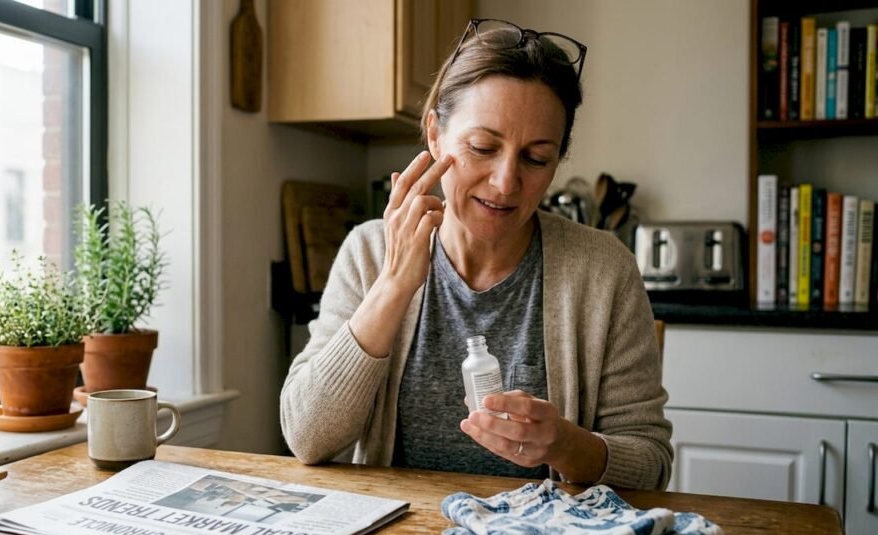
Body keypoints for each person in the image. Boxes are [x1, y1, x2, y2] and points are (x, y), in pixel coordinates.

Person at [279, 19, 672, 490]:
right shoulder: (369, 251)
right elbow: (306, 438)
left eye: (536, 158)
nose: (505, 183)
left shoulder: (604, 270)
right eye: (483, 147)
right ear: (435, 135)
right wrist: (393, 284)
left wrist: (566, 445)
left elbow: (651, 464)